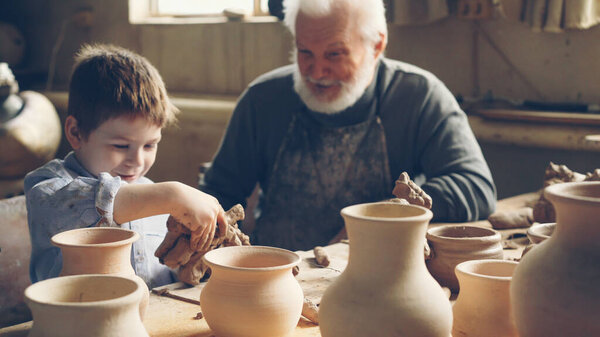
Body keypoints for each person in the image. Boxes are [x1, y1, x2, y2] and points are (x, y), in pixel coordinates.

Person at [200, 0, 496, 251]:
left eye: (334, 54)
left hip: (382, 273)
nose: (316, 71)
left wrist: (380, 218)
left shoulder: (419, 97)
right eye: (305, 52)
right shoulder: (263, 100)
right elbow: (219, 192)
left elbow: (476, 187)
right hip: (278, 274)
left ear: (377, 45)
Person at [25, 44, 226, 287]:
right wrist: (173, 193)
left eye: (150, 145)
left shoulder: (153, 195)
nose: (138, 161)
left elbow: (159, 274)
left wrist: (185, 270)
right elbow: (67, 207)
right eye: (121, 146)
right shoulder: (48, 186)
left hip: (148, 320)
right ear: (76, 132)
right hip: (73, 322)